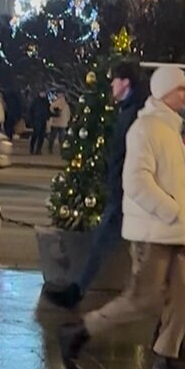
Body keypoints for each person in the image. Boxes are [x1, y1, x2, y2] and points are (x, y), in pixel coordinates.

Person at [58, 65, 185, 369]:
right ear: (164, 92)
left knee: (181, 297)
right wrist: (171, 211)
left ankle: (167, 361)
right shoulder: (146, 128)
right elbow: (136, 181)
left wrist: (184, 213)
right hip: (155, 232)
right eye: (181, 89)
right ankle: (79, 331)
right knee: (143, 299)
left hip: (174, 230)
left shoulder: (170, 129)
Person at [48, 60, 147, 310]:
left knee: (115, 244)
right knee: (113, 244)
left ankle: (79, 292)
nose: (111, 85)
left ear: (125, 82)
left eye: (114, 80)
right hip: (125, 190)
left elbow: (130, 154)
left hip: (127, 192)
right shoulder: (131, 108)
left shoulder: (134, 112)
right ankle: (78, 290)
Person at [28, 90, 52, 156]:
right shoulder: (35, 101)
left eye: (44, 93)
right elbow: (31, 111)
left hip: (43, 120)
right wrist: (32, 120)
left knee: (41, 136)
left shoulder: (46, 102)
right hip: (37, 120)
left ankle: (38, 149)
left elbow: (48, 110)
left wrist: (49, 116)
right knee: (35, 134)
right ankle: (32, 148)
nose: (43, 94)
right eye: (42, 93)